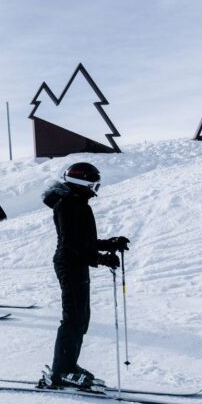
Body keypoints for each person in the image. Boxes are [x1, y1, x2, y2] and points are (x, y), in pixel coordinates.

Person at [40, 162, 130, 389]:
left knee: (82, 317)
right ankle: (61, 371)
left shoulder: (77, 203)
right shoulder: (68, 205)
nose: (95, 189)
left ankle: (69, 364)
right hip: (69, 264)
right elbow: (72, 244)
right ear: (82, 183)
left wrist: (109, 244)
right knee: (72, 318)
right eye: (93, 184)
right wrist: (100, 258)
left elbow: (84, 241)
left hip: (76, 263)